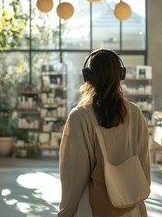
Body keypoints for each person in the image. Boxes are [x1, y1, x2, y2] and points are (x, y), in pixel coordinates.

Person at [58, 48, 151, 217]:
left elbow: (73, 175)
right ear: (120, 75)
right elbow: (143, 167)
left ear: (87, 77)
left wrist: (66, 212)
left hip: (92, 207)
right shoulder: (135, 113)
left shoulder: (80, 117)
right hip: (130, 207)